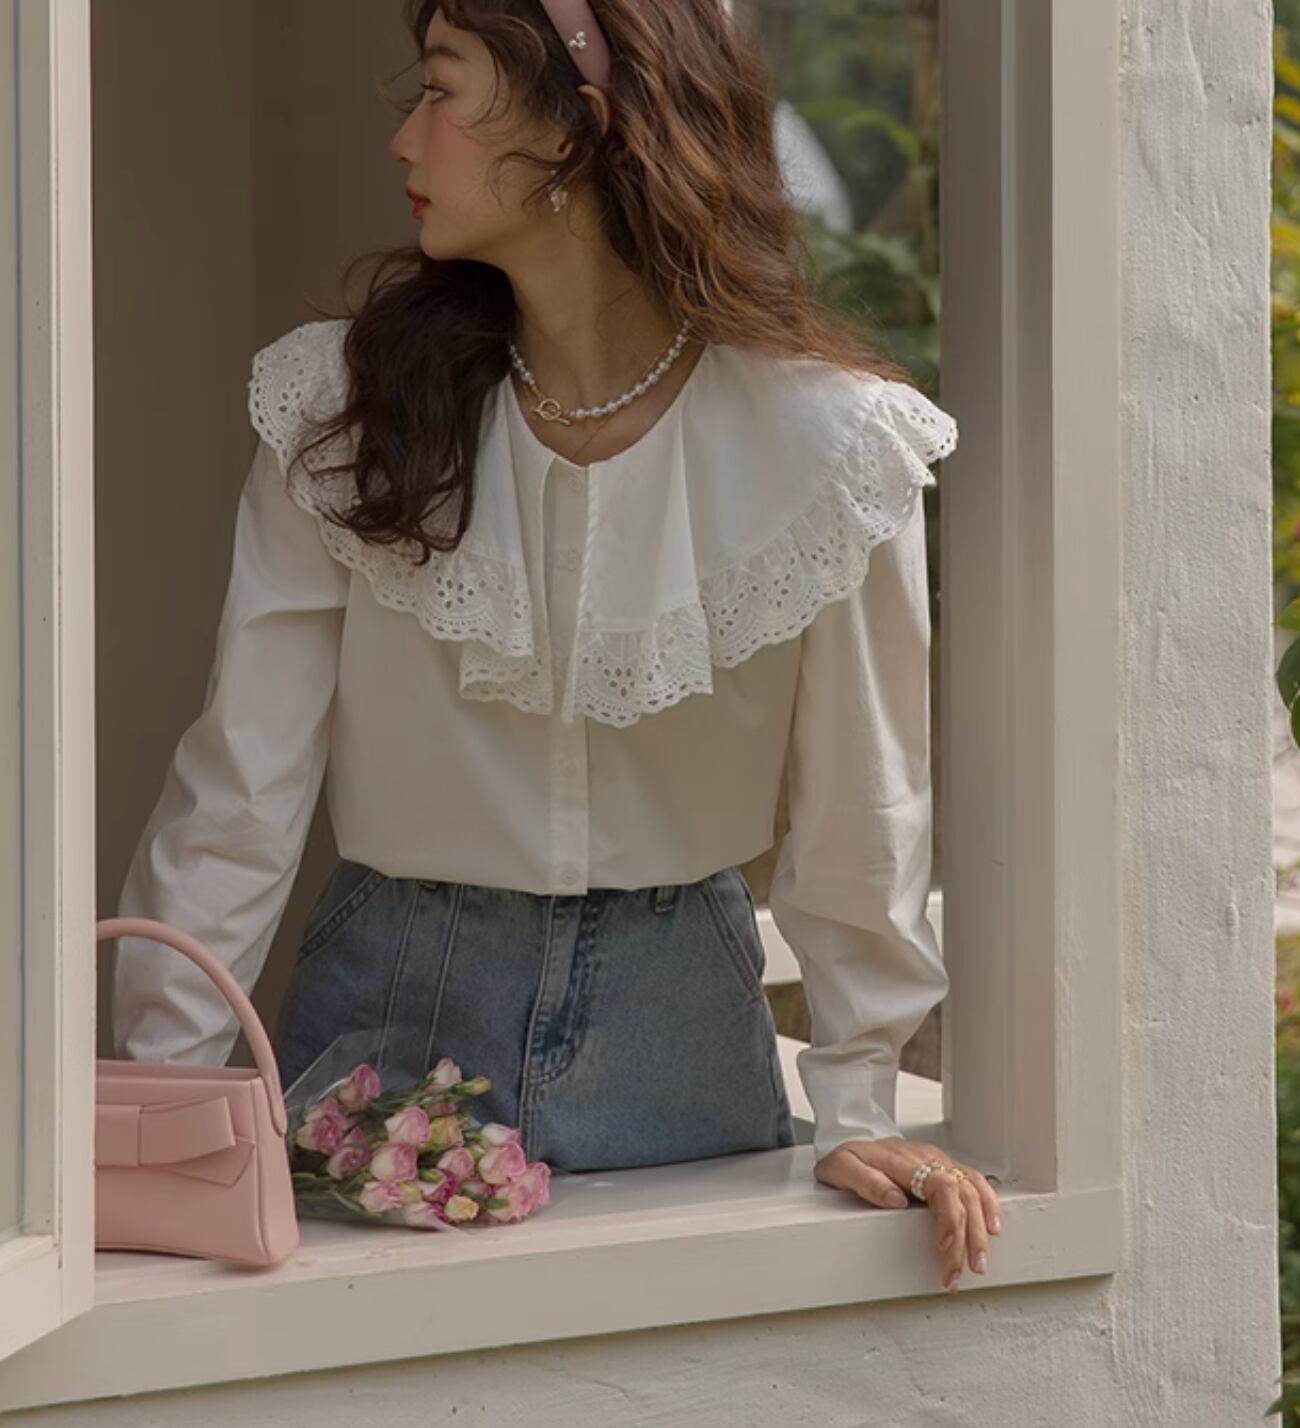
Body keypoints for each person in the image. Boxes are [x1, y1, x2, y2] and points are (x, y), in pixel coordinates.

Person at [109, 0, 1000, 1294]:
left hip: (679, 1026)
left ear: (580, 128)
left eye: (441, 90)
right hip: (384, 1013)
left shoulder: (831, 448)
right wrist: (162, 1101)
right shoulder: (343, 408)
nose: (408, 137)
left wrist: (858, 1106)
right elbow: (240, 787)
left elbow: (866, 802)